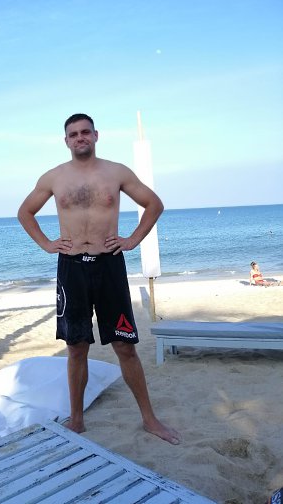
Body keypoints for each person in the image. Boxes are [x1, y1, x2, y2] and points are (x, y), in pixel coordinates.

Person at [18, 113, 180, 445]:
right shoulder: (53, 177)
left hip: (109, 267)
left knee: (125, 345)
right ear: (66, 141)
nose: (80, 137)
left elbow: (154, 204)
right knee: (76, 347)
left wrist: (132, 240)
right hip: (71, 268)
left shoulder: (117, 172)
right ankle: (77, 420)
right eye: (73, 134)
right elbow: (25, 212)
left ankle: (149, 419)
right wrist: (47, 244)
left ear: (95, 135)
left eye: (85, 132)